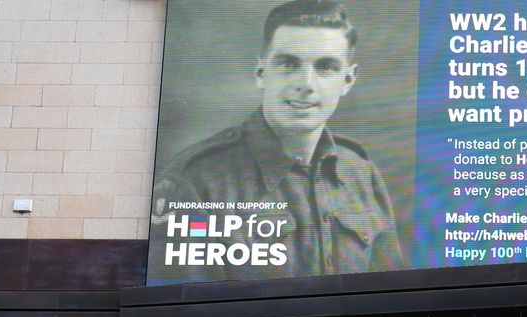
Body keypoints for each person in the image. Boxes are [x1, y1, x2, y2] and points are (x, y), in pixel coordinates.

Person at [151, 0, 402, 283]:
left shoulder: (360, 172)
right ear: (261, 72)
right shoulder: (195, 183)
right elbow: (185, 310)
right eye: (288, 63)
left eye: (326, 67)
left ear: (348, 80)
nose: (306, 83)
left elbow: (390, 292)